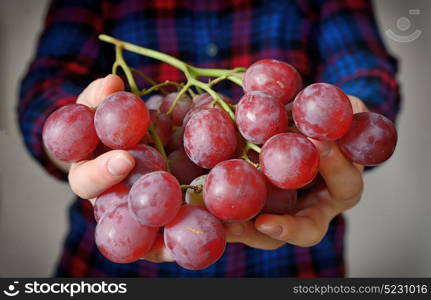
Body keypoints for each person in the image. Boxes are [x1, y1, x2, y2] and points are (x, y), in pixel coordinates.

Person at [18, 0, 400, 277]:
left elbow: (366, 71)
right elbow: (45, 88)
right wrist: (78, 144)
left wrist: (353, 114)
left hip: (293, 257)